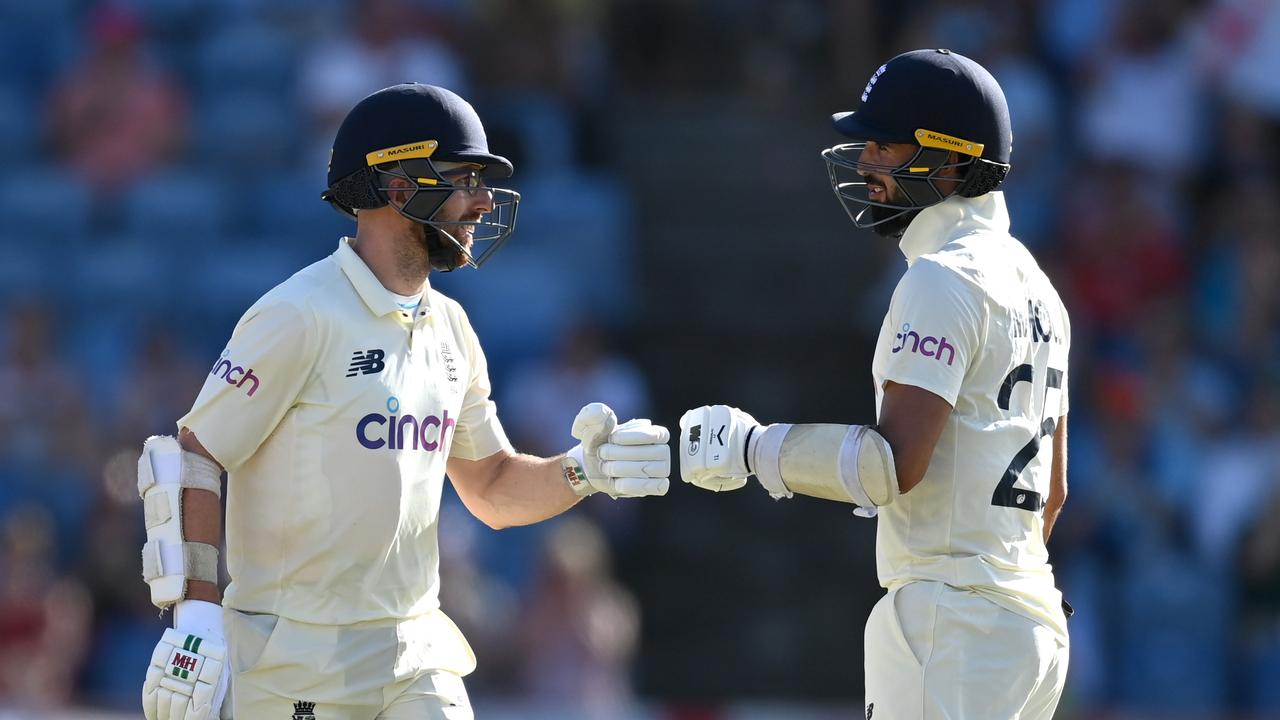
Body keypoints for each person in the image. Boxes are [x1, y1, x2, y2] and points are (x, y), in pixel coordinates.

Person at [135, 83, 671, 720]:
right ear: (397, 188)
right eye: (464, 178)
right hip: (291, 663)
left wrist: (589, 469)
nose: (480, 201)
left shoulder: (452, 328)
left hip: (414, 653)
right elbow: (190, 459)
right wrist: (194, 617)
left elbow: (493, 487)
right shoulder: (298, 314)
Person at [678, 49, 1072, 719]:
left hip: (955, 619)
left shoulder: (942, 278)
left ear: (950, 162)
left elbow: (890, 466)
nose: (864, 162)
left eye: (884, 145)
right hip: (1030, 625)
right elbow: (1055, 494)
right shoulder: (1038, 287)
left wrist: (752, 449)